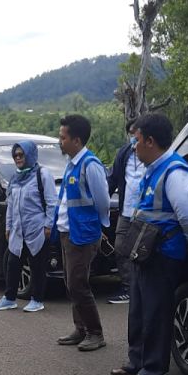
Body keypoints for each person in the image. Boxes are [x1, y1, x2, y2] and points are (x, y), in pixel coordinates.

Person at [110, 113, 188, 375]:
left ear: (150, 141)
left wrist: (183, 242)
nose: (133, 147)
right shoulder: (154, 169)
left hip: (162, 253)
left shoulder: (175, 171)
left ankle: (152, 370)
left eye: (136, 141)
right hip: (144, 251)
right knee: (138, 309)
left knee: (155, 311)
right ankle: (135, 361)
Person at [51, 114, 111, 351]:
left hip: (83, 235)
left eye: (62, 137)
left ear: (76, 140)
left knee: (78, 284)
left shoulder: (90, 165)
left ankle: (95, 333)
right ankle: (81, 329)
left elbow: (103, 201)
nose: (60, 141)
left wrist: (98, 227)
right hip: (68, 232)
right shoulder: (72, 164)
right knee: (70, 283)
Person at [0, 140, 57, 313]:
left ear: (30, 155)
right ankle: (9, 298)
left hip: (37, 229)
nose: (18, 158)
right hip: (18, 230)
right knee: (13, 264)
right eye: (15, 155)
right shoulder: (15, 177)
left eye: (21, 154)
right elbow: (11, 205)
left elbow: (51, 202)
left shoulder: (42, 174)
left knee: (37, 266)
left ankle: (37, 300)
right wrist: (8, 226)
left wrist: (48, 225)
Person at [107, 120, 145, 304]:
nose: (133, 137)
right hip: (126, 211)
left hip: (146, 213)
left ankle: (142, 289)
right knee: (121, 247)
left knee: (145, 251)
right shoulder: (124, 153)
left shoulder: (154, 154)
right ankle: (128, 288)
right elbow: (113, 178)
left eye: (135, 133)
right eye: (130, 133)